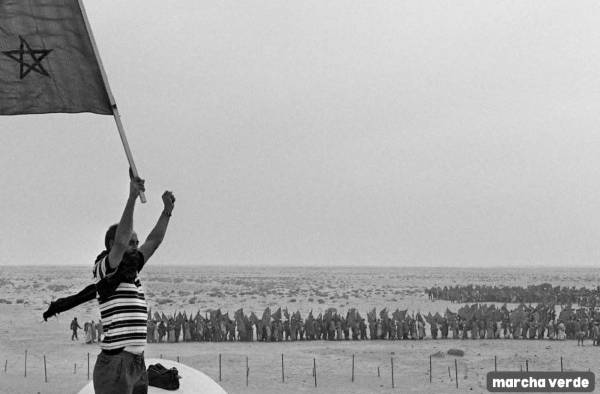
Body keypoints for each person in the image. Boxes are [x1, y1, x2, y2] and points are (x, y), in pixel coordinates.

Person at [92, 175, 175, 394]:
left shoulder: (133, 269)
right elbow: (121, 241)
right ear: (112, 245)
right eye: (132, 242)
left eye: (136, 243)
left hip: (137, 362)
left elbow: (154, 242)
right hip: (116, 363)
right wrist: (132, 199)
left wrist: (167, 212)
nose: (136, 247)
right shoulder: (105, 268)